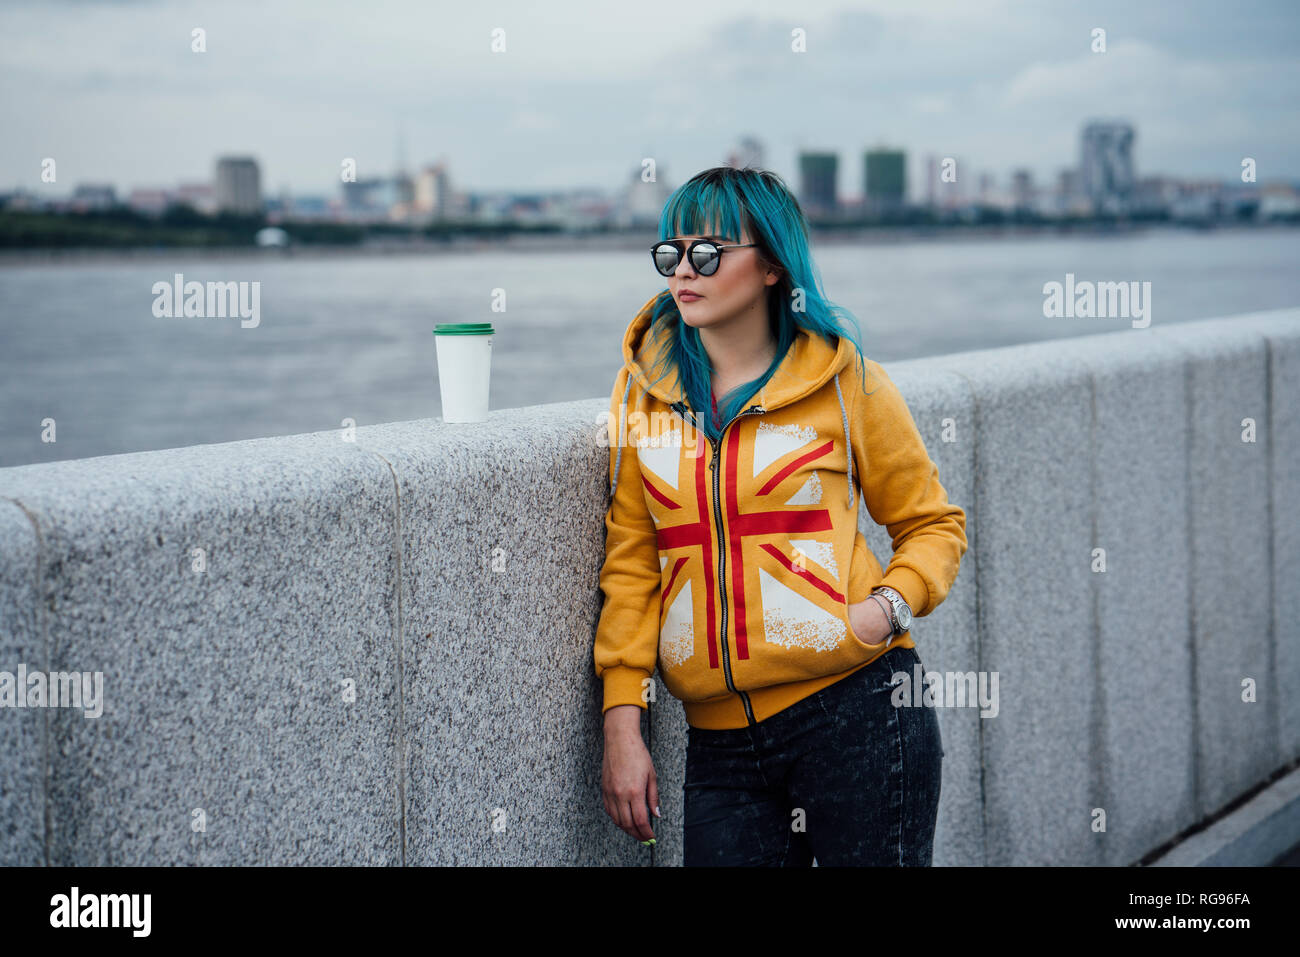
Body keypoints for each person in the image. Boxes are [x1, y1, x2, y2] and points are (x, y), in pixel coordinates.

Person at [594, 166, 968, 866]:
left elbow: (933, 524)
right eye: (670, 253)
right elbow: (634, 563)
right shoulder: (642, 396)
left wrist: (884, 609)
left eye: (707, 252)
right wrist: (622, 722)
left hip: (859, 715)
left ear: (770, 265)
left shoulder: (845, 378)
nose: (684, 270)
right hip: (719, 750)